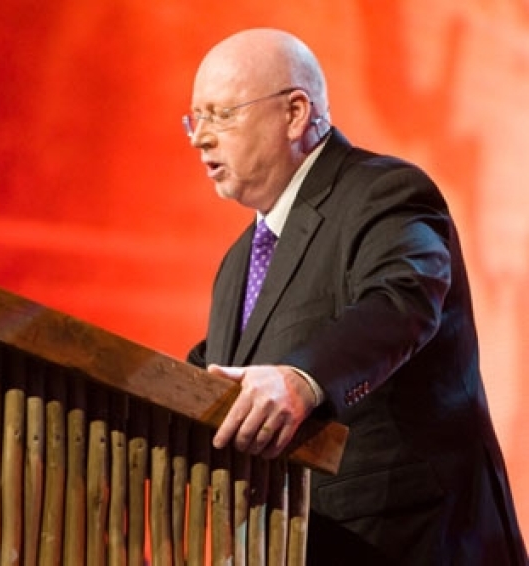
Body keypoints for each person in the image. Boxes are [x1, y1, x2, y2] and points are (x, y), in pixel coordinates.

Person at [184, 28, 527, 565]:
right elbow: (217, 381)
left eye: (219, 114)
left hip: (408, 539)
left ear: (295, 112)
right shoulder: (237, 263)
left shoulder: (383, 192)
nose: (199, 137)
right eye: (194, 119)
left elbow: (402, 301)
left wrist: (301, 379)